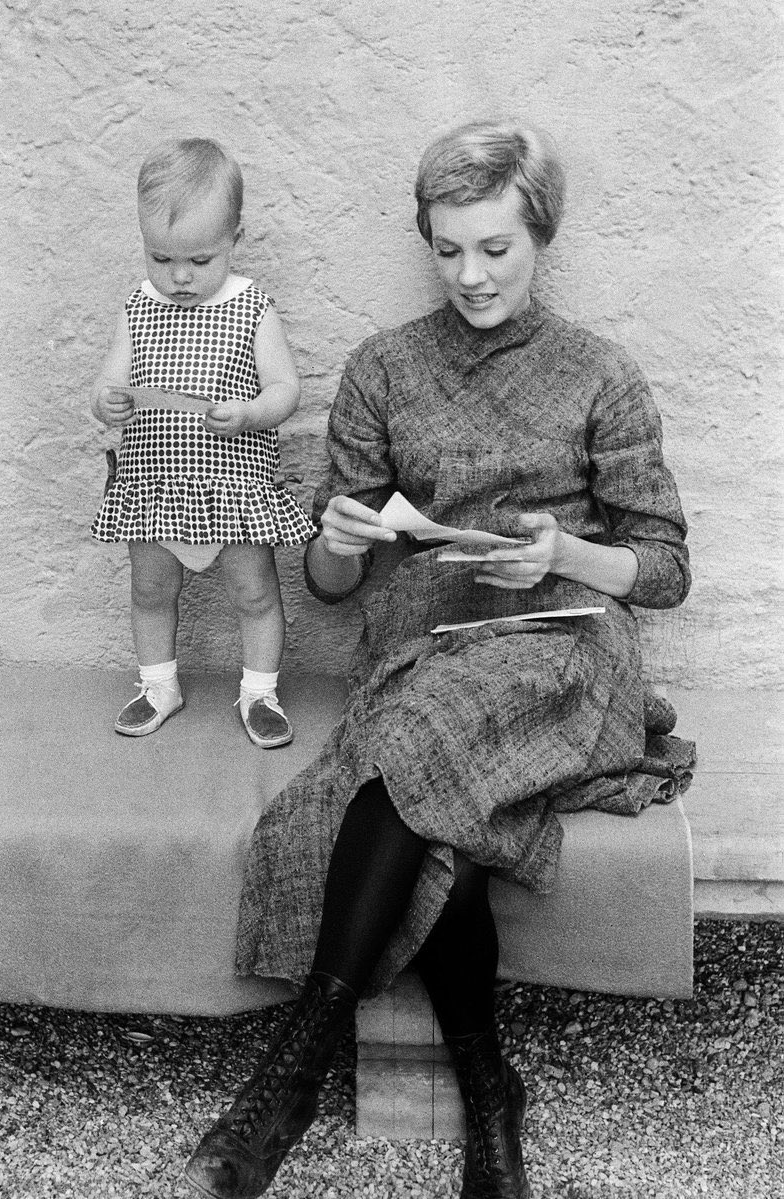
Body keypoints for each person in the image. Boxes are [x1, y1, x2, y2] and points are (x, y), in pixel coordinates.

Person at [185, 120, 692, 1198]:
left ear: (539, 237)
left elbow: (662, 568)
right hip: (418, 655)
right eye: (448, 247)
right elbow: (330, 589)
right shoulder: (383, 369)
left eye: (494, 249)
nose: (469, 274)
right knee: (432, 802)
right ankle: (488, 1084)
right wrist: (333, 540)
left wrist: (568, 554)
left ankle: (291, 1070)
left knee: (398, 763)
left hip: (561, 653)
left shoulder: (600, 372)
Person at [91, 138, 314, 748]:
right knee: (149, 589)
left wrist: (247, 413)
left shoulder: (251, 307)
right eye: (160, 258)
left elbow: (286, 389)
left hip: (232, 486)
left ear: (235, 238)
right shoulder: (138, 305)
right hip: (153, 487)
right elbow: (113, 377)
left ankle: (259, 691)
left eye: (199, 258)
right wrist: (106, 398)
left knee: (256, 592)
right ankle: (159, 684)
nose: (180, 276)